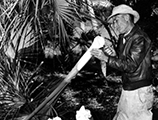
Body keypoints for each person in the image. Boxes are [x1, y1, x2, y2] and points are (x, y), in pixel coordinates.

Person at [90, 4, 154, 120]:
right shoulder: (124, 37)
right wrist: (113, 55)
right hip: (129, 88)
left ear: (126, 17)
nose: (114, 25)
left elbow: (130, 66)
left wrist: (106, 58)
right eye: (112, 22)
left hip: (138, 91)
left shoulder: (139, 38)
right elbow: (123, 60)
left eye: (116, 21)